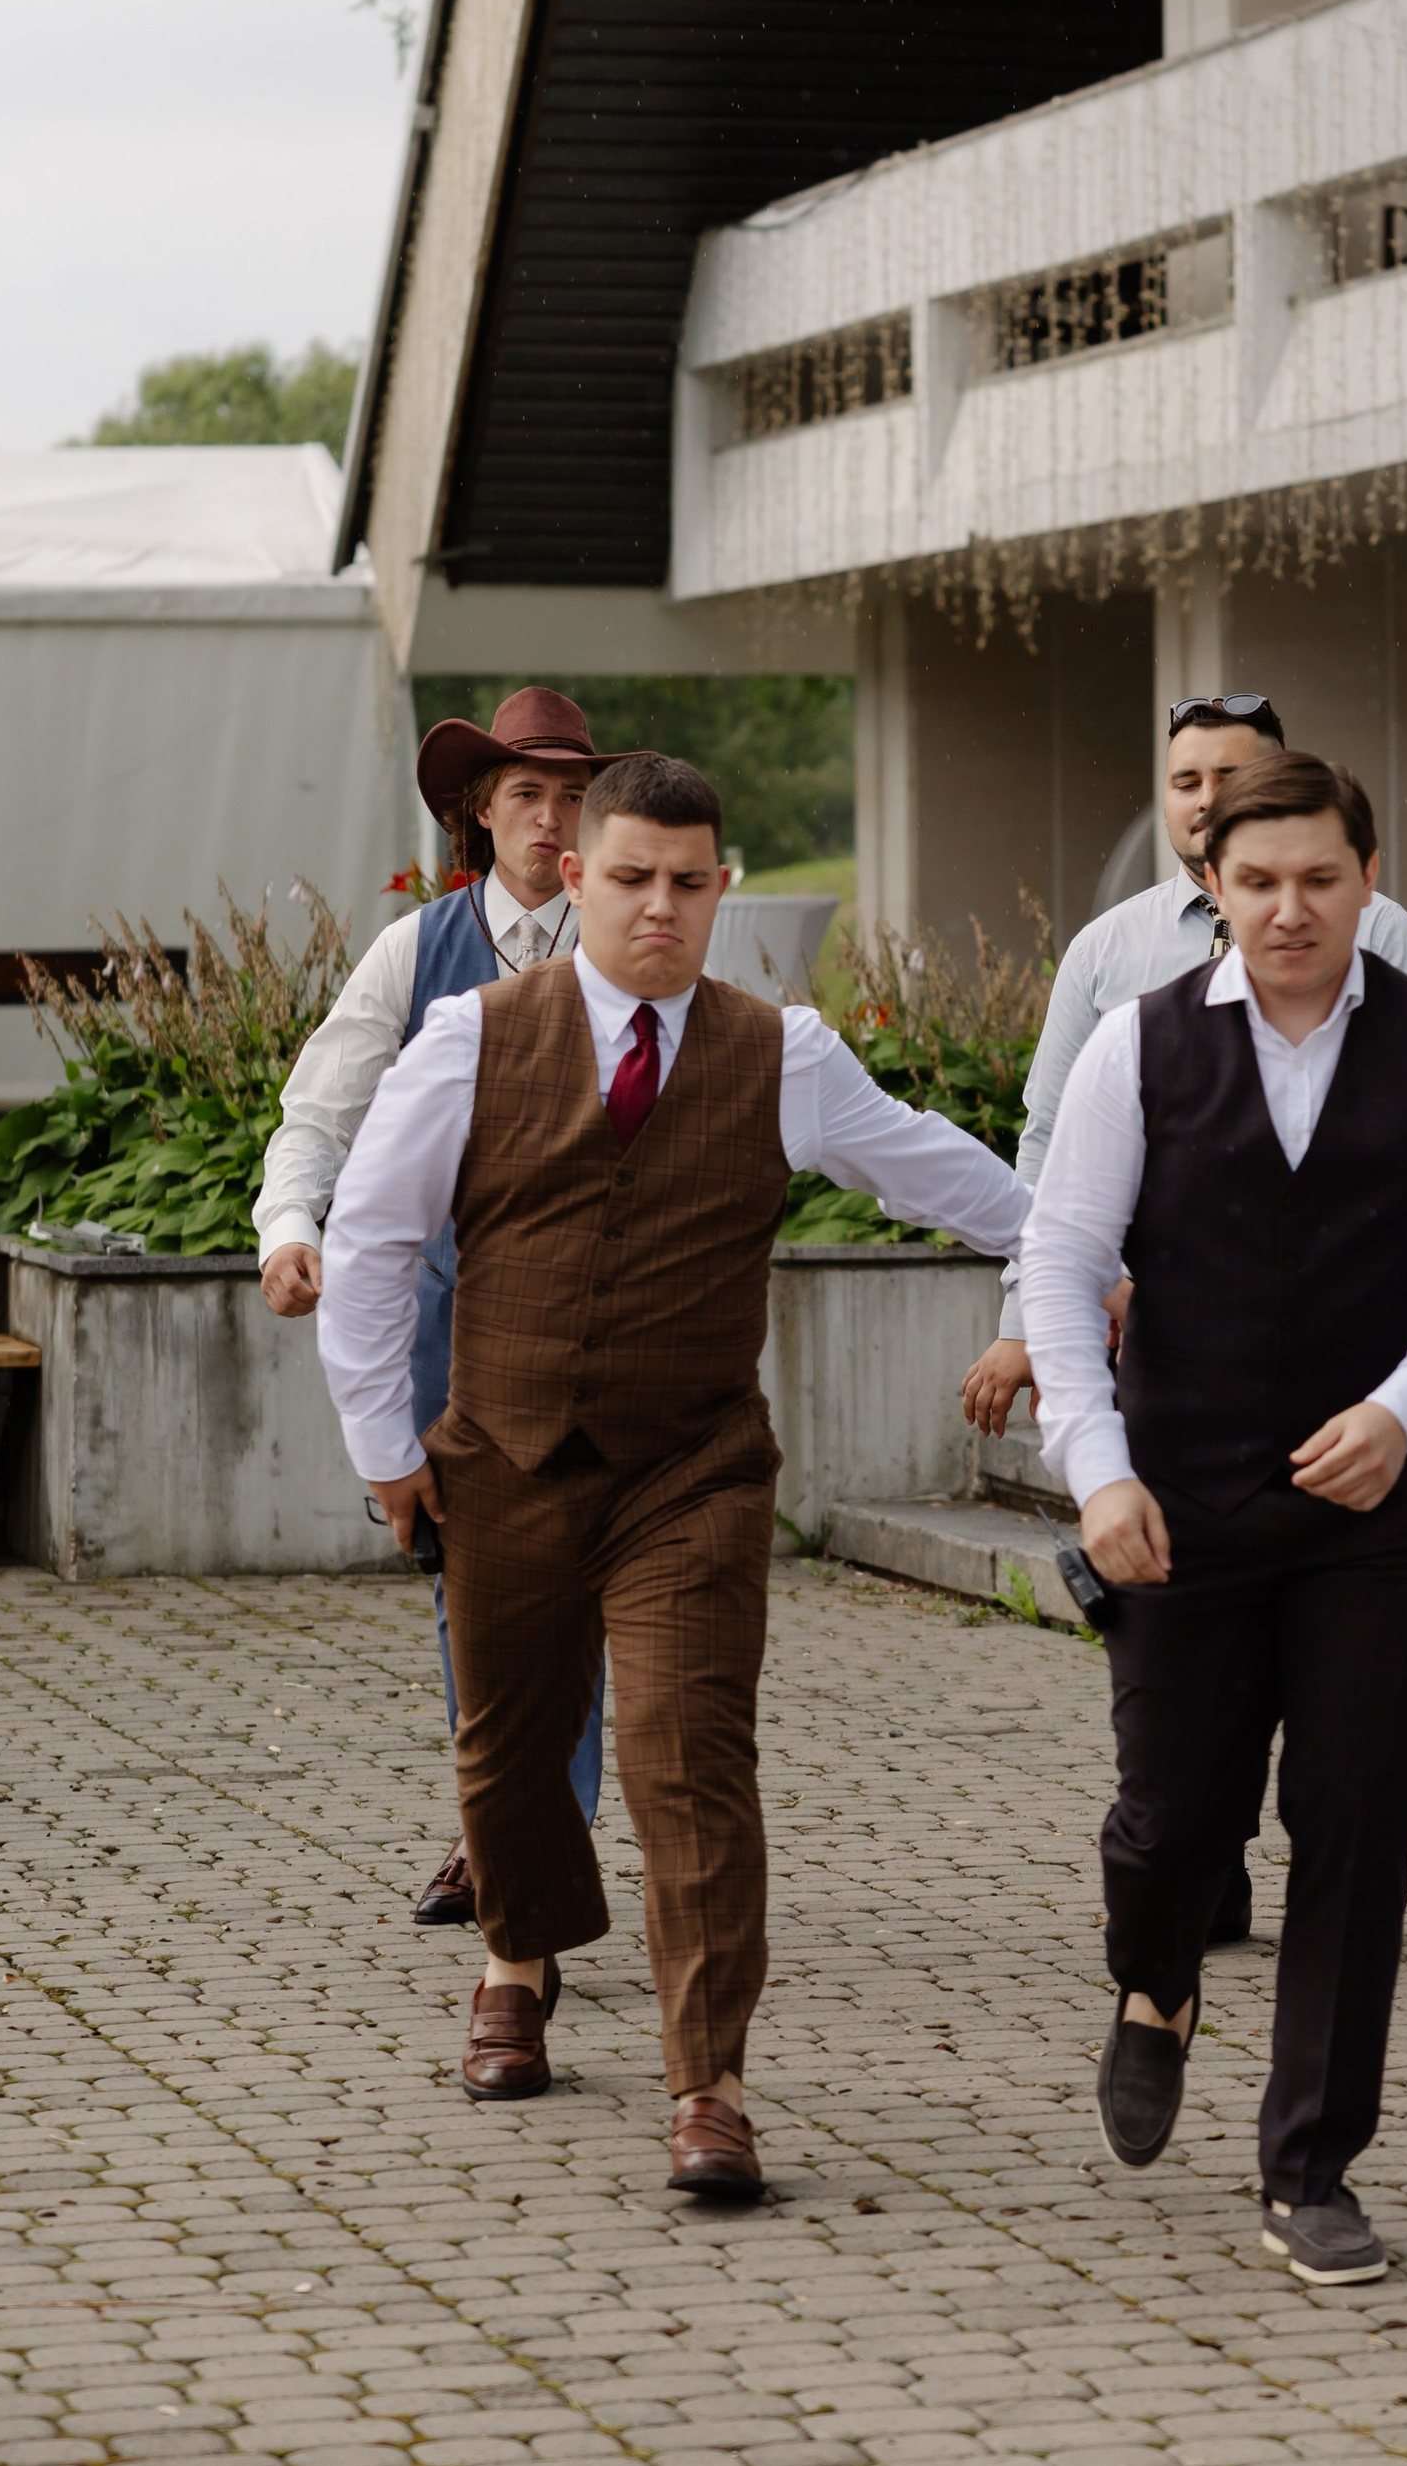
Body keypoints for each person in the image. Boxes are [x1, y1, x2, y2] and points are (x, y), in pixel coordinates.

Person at [317, 749, 1029, 2199]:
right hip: (504, 1459)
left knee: (687, 1758)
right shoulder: (467, 1039)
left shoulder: (785, 1055)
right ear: (574, 876)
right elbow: (373, 1243)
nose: (660, 908)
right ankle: (517, 1966)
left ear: (722, 889)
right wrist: (385, 1450)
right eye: (631, 878)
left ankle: (710, 2085)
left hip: (691, 1472)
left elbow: (941, 1172)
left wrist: (1079, 1257)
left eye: (688, 884)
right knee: (510, 1749)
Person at [1021, 748, 1407, 2287]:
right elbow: (1063, 1263)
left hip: (1382, 1499)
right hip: (1178, 1494)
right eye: (1256, 882)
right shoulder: (1137, 1046)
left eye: (1320, 878)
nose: (1290, 909)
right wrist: (1097, 1470)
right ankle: (1155, 1980)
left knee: (1358, 1810)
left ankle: (1311, 2165)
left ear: (1368, 880)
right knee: (1172, 1819)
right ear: (1212, 888)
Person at [962, 689, 1407, 1947]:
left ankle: (1303, 1878)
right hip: (1171, 1361)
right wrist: (1030, 1317)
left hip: (1348, 1379)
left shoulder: (1383, 933)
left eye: (1231, 777)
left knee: (1329, 1680)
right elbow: (1047, 1147)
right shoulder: (1110, 953)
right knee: (1186, 1665)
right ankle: (1194, 1866)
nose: (1207, 800)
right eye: (1186, 781)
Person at [255, 684, 615, 1920]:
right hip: (448, 1333)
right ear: (480, 813)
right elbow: (319, 1112)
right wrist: (290, 1230)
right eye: (528, 794)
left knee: (572, 1587)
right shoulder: (415, 951)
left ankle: (529, 1840)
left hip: (600, 1327)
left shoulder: (638, 945)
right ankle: (503, 1825)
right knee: (476, 1593)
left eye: (574, 796)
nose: (552, 817)